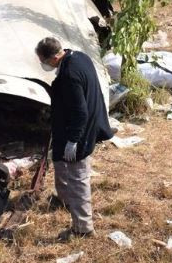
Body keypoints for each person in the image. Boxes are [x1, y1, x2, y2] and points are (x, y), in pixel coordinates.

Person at [35, 37, 114, 241]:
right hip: (68, 126)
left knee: (78, 177)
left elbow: (80, 113)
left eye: (42, 60)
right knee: (60, 161)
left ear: (52, 58)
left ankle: (83, 227)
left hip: (80, 130)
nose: (42, 65)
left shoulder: (69, 74)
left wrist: (73, 141)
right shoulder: (78, 56)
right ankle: (64, 199)